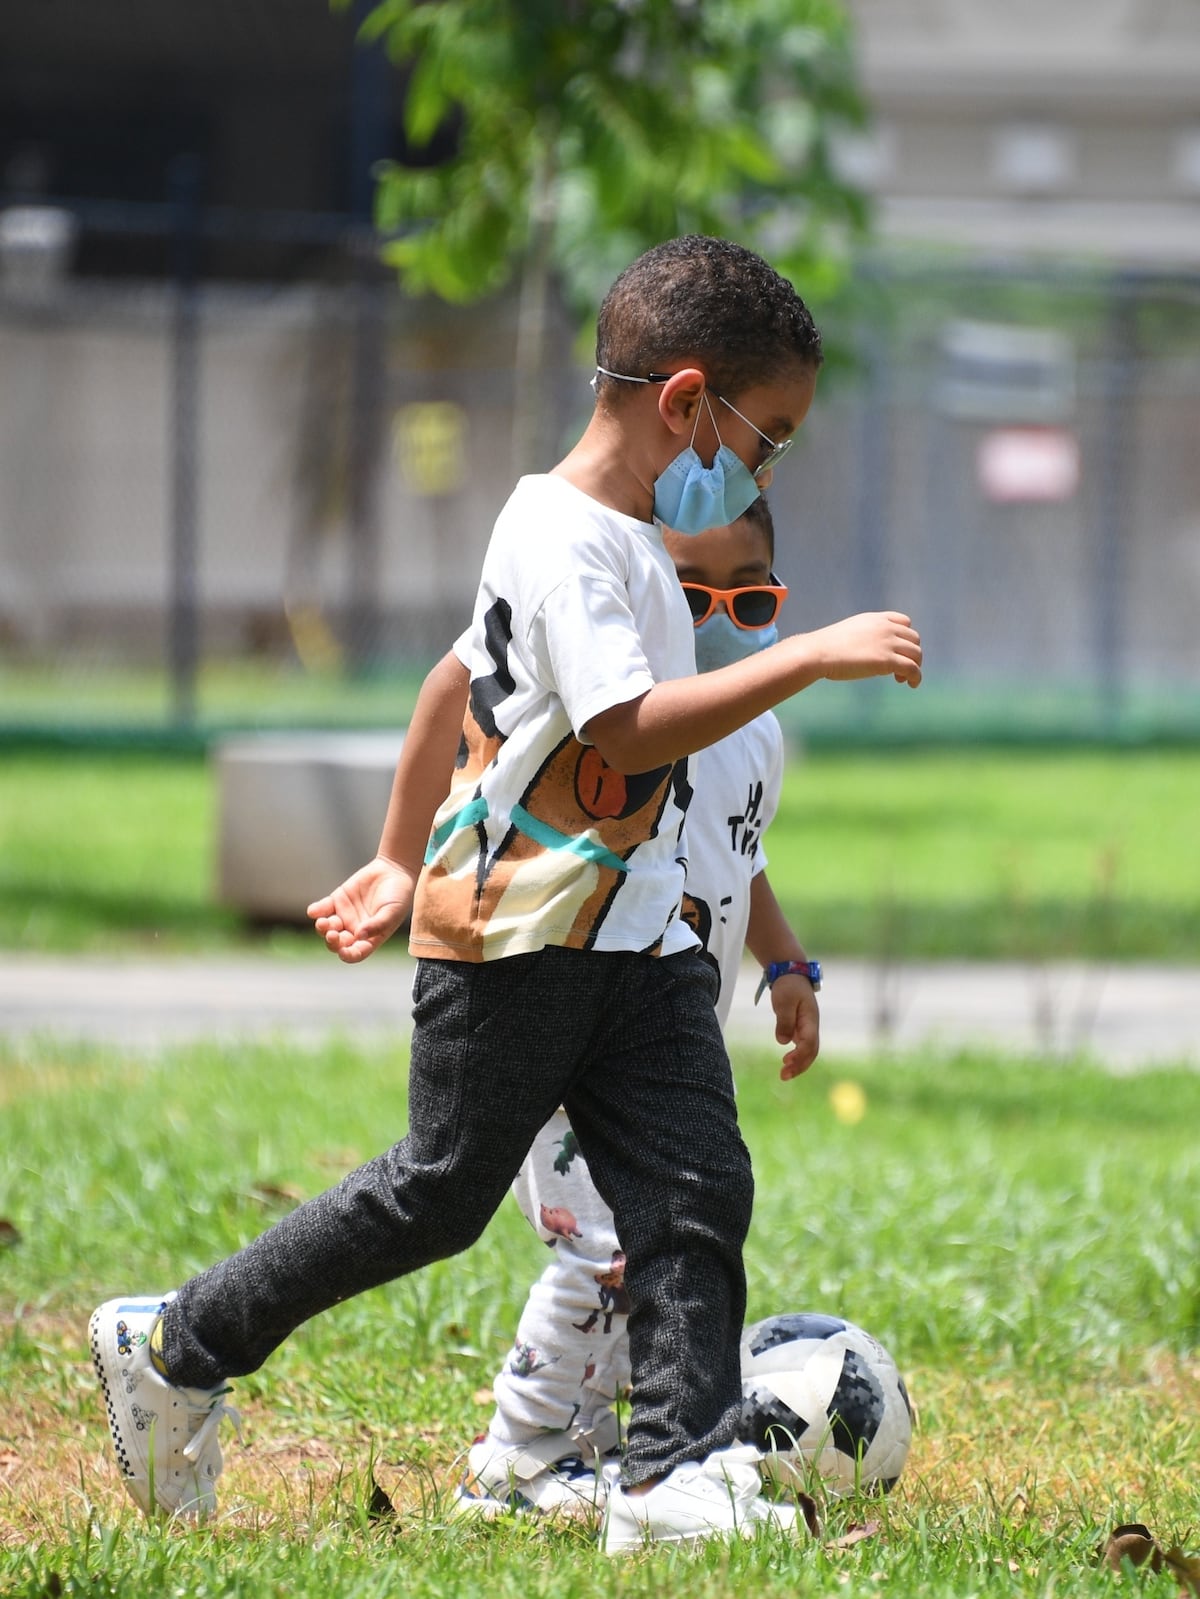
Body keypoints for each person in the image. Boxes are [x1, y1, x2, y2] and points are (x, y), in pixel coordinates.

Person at [89, 234, 921, 1553]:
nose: (762, 470)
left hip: (640, 943)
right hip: (515, 942)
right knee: (435, 1192)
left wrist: (777, 951)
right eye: (768, 437)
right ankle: (176, 1344)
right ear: (686, 400)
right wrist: (809, 655)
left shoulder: (643, 539)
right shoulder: (556, 532)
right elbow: (631, 725)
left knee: (694, 1188)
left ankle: (668, 1478)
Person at [442, 494, 823, 1523]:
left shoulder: (754, 731)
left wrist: (789, 967)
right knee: (607, 1250)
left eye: (745, 602)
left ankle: (600, 1445)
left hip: (670, 1049)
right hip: (584, 1037)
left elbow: (746, 858)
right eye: (689, 592)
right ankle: (515, 1456)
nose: (709, 621)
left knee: (655, 1244)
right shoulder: (620, 725)